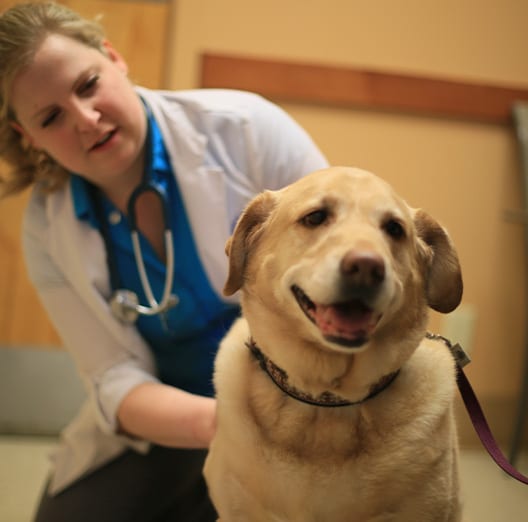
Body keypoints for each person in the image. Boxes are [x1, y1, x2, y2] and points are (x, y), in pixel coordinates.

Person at [0, 2, 328, 521]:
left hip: (304, 398)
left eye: (88, 85)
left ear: (114, 57)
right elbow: (114, 379)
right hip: (175, 418)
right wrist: (228, 425)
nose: (86, 119)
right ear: (28, 136)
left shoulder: (246, 129)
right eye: (51, 117)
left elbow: (336, 257)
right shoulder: (47, 230)